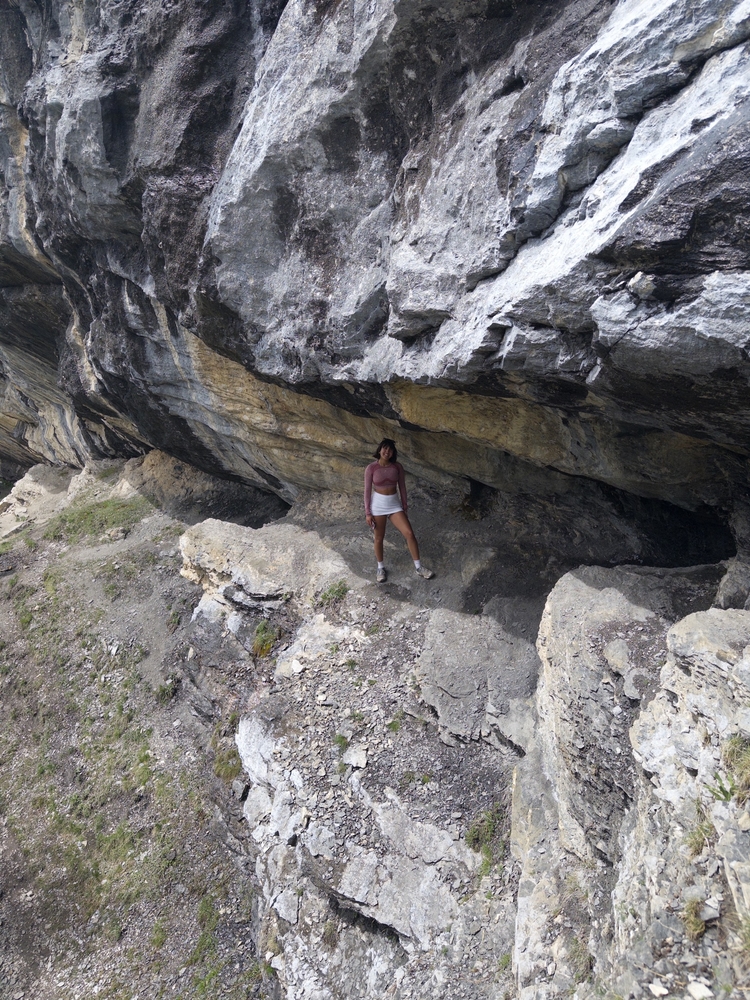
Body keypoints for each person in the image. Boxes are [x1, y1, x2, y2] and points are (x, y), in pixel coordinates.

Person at [364, 438, 434, 583]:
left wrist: (404, 507)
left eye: (390, 449)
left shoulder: (397, 467)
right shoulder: (371, 468)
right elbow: (366, 491)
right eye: (385, 448)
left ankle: (419, 567)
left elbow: (402, 487)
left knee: (409, 533)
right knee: (379, 538)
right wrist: (368, 513)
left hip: (394, 505)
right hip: (378, 506)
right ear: (379, 450)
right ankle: (380, 568)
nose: (387, 451)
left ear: (393, 453)